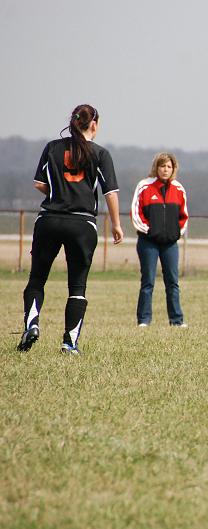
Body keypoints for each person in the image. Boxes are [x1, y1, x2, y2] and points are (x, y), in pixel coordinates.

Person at [17, 104, 124, 355]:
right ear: (94, 125)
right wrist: (117, 225)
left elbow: (39, 184)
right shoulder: (101, 154)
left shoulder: (52, 148)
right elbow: (110, 193)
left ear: (73, 122)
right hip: (82, 224)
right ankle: (69, 343)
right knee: (77, 286)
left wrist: (58, 193)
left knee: (37, 278)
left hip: (49, 220)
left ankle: (31, 325)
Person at [131, 152, 189, 327]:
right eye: (162, 166)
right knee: (148, 281)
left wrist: (175, 233)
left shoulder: (178, 189)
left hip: (170, 243)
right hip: (148, 242)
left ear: (173, 169)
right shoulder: (144, 186)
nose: (165, 169)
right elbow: (136, 213)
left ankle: (176, 320)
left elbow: (184, 216)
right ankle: (144, 320)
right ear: (156, 167)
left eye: (169, 166)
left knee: (172, 282)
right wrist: (150, 231)